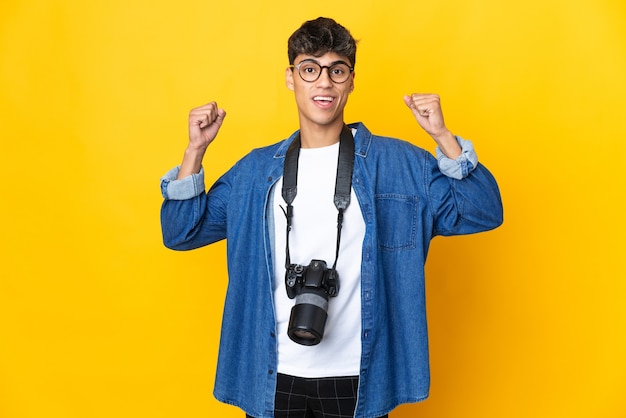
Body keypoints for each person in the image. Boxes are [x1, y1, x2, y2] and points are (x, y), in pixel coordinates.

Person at [160, 17, 503, 418]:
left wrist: (444, 137)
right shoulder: (254, 172)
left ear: (351, 81)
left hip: (359, 379)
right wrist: (194, 151)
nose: (323, 82)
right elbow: (181, 232)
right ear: (291, 78)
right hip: (270, 375)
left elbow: (484, 210)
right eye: (310, 69)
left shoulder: (400, 164)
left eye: (336, 70)